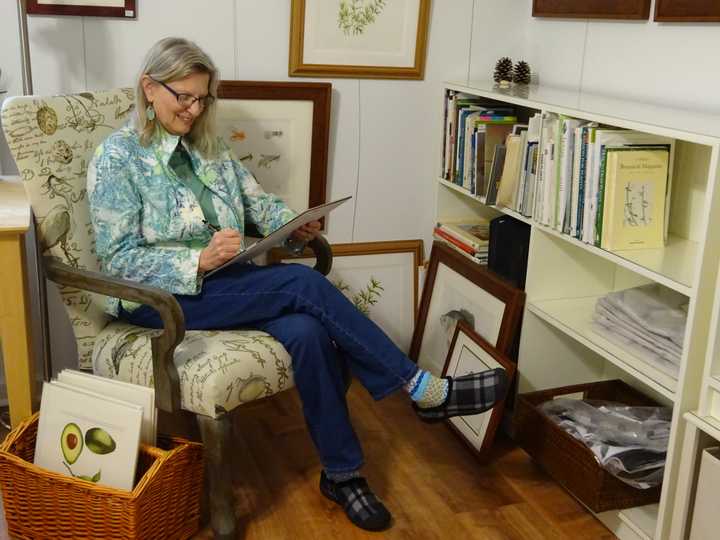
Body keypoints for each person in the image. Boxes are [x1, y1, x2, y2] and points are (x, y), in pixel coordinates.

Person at [88, 37, 508, 532]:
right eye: (184, 96)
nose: (194, 108)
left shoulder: (210, 146)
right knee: (300, 286)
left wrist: (292, 223)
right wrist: (196, 260)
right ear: (149, 88)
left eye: (203, 98)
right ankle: (421, 389)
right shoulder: (118, 158)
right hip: (160, 300)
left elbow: (255, 203)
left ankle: (343, 474)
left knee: (307, 332)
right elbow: (117, 260)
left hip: (224, 284)